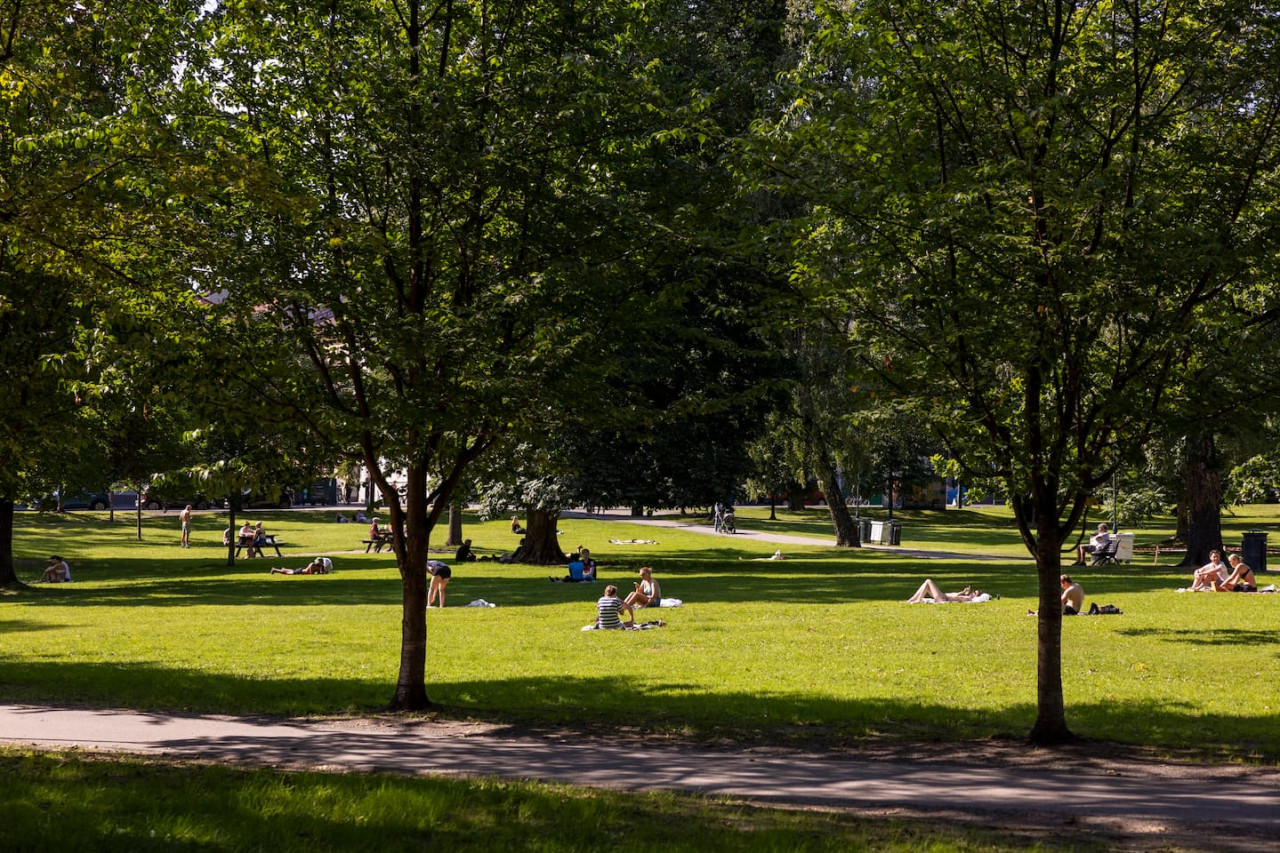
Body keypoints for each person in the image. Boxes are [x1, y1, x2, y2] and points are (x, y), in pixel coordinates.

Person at [907, 579, 987, 603]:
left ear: (976, 596)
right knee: (927, 585)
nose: (973, 593)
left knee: (928, 581)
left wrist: (964, 595)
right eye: (974, 592)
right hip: (942, 596)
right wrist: (963, 592)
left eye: (975, 593)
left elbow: (954, 597)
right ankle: (912, 599)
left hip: (942, 598)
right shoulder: (967, 596)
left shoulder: (968, 599)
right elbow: (955, 595)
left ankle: (918, 599)